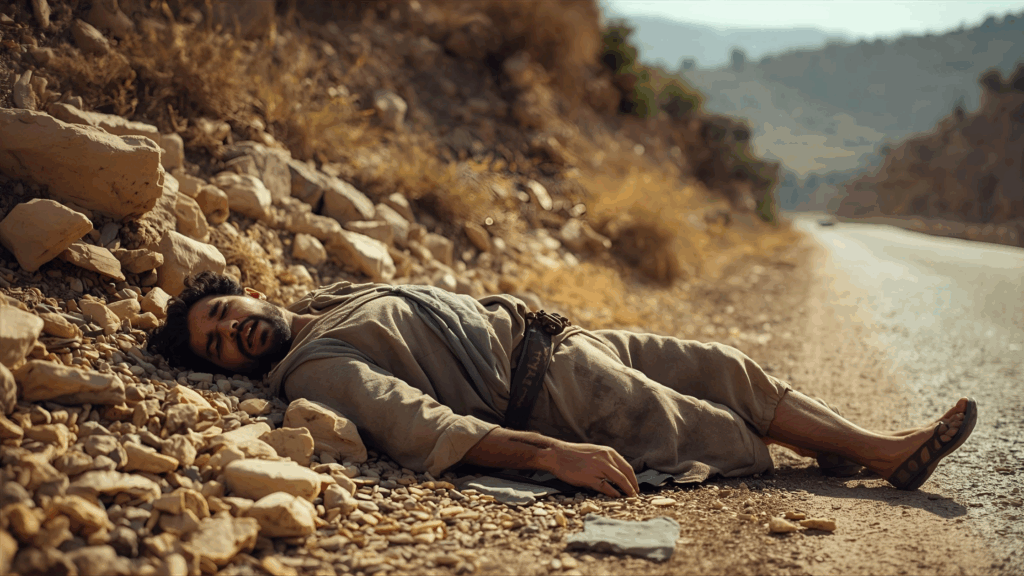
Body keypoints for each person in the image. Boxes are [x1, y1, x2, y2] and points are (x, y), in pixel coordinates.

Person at [148, 272, 978, 497]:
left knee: (728, 366)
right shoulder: (314, 369)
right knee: (719, 431)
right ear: (231, 369)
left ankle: (848, 445)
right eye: (216, 347)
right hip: (557, 395)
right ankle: (881, 454)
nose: (232, 332)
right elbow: (423, 424)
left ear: (243, 292)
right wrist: (552, 456)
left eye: (224, 313)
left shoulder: (326, 301)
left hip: (564, 339)